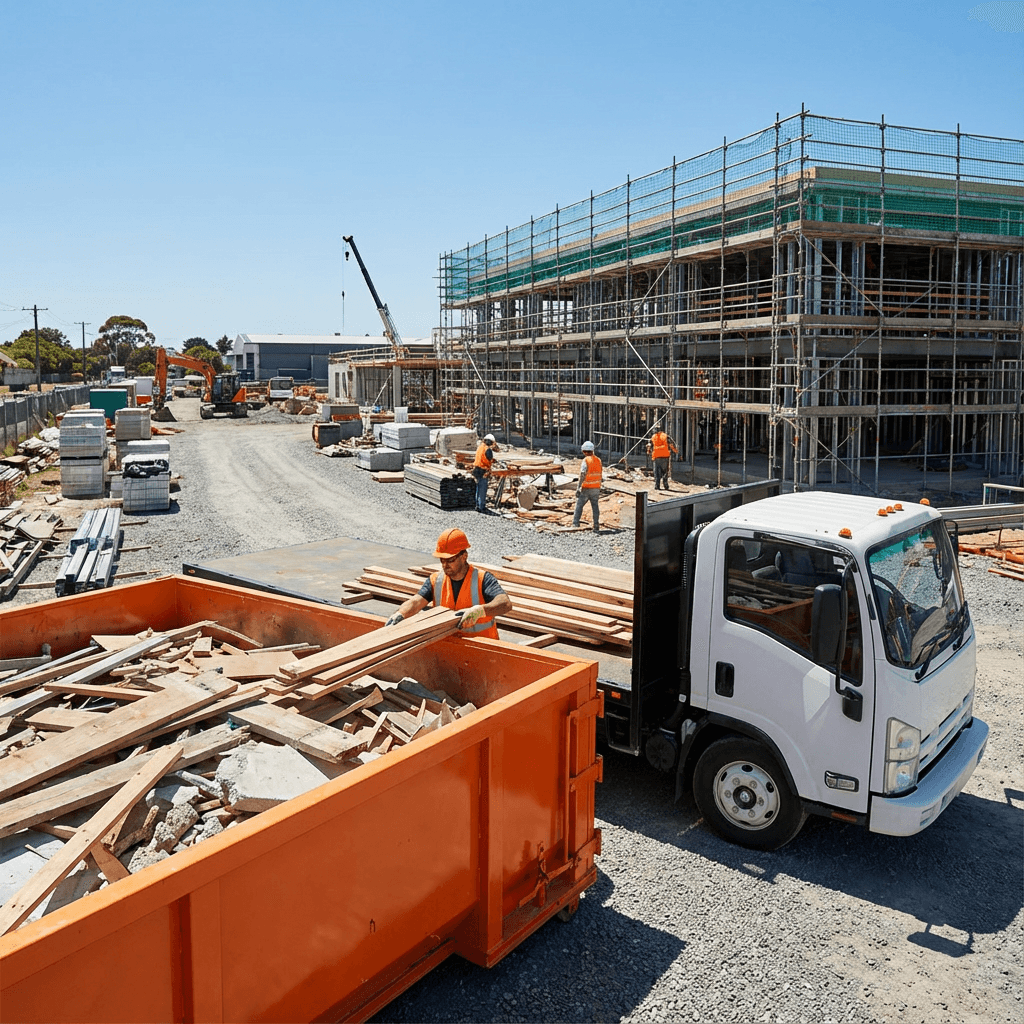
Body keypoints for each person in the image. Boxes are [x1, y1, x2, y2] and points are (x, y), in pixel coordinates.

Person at [383, 527, 511, 638]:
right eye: (442, 560)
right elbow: (416, 602)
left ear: (464, 556)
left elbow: (505, 604)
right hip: (450, 647)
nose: (445, 565)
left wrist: (480, 611)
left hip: (482, 649)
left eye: (450, 560)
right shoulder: (436, 580)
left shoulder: (482, 579)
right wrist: (401, 613)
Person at [572, 440, 602, 533]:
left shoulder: (586, 460)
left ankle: (575, 524)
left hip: (586, 488)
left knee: (579, 505)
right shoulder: (598, 460)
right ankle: (596, 525)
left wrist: (578, 487)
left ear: (584, 451)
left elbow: (582, 473)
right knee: (595, 507)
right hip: (596, 487)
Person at [647, 425, 678, 491]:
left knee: (656, 472)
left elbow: (649, 446)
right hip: (665, 456)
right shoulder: (665, 436)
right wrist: (675, 451)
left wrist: (648, 452)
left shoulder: (653, 437)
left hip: (656, 456)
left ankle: (657, 486)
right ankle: (666, 485)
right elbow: (671, 445)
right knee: (665, 472)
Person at [472, 433, 498, 513]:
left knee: (478, 488)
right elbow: (489, 458)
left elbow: (483, 457)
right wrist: (493, 461)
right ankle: (481, 507)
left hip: (476, 469)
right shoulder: (487, 449)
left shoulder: (480, 447)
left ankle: (477, 505)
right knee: (483, 489)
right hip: (483, 470)